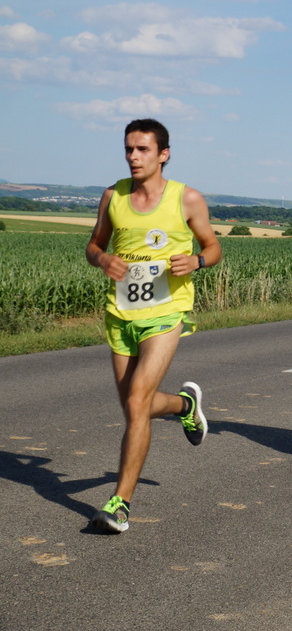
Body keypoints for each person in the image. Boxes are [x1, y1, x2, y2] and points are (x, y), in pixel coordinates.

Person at [85, 118, 222, 533]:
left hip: (166, 313)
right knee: (133, 403)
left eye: (142, 149)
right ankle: (185, 405)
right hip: (120, 315)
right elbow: (93, 245)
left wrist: (196, 261)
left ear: (163, 154)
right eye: (128, 149)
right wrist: (103, 258)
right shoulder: (114, 196)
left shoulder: (187, 199)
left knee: (136, 402)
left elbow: (213, 247)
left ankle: (120, 503)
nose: (133, 156)